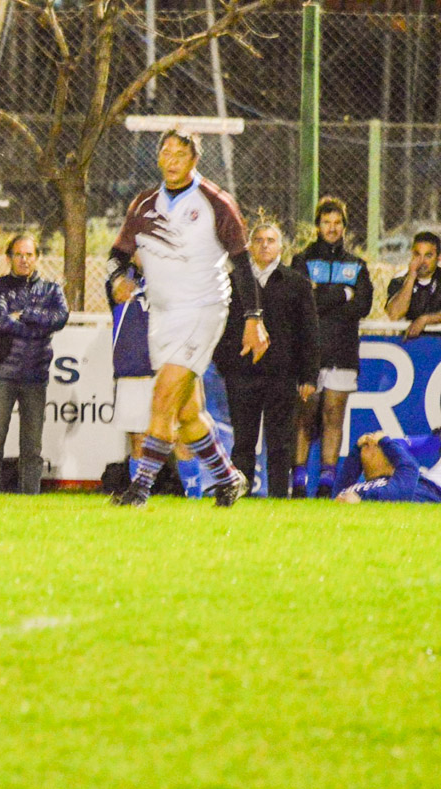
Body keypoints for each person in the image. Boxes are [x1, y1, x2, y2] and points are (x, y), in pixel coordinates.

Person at [107, 128, 269, 508]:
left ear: (194, 159)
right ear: (159, 158)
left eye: (182, 153)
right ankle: (228, 479)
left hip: (202, 310)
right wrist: (119, 278)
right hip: (161, 314)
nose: (174, 159)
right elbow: (118, 254)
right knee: (187, 412)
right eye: (167, 152)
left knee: (162, 399)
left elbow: (242, 263)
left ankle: (139, 490)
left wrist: (253, 317)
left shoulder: (215, 201)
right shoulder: (144, 203)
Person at [213, 222, 319, 498]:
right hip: (242, 374)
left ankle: (277, 498)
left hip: (281, 376)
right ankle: (241, 495)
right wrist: (227, 364)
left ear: (281, 247)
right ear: (249, 247)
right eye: (258, 240)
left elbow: (309, 332)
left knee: (280, 442)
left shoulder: (296, 283)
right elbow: (219, 327)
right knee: (243, 442)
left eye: (271, 240)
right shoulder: (234, 282)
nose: (264, 245)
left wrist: (308, 375)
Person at [290, 196, 374, 498]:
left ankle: (326, 484)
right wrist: (343, 294)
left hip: (342, 352)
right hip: (306, 354)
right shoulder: (301, 260)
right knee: (303, 417)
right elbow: (303, 303)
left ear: (345, 227)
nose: (332, 228)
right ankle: (298, 484)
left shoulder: (357, 264)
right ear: (317, 226)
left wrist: (325, 297)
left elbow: (363, 306)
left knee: (333, 417)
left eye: (337, 223)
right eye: (326, 222)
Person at [0, 234, 69, 494]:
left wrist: (27, 315)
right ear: (9, 258)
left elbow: (60, 317)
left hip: (35, 376)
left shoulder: (52, 290)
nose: (24, 260)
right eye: (18, 254)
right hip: (2, 375)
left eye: (29, 255)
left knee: (32, 447)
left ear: (37, 258)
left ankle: (29, 497)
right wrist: (38, 328)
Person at [106, 264, 203, 497]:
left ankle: (195, 498)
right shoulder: (123, 280)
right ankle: (138, 496)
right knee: (138, 438)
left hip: (170, 370)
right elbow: (116, 288)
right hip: (133, 370)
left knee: (180, 437)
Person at [334, 431, 441, 504]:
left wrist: (385, 442)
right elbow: (345, 478)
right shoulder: (358, 486)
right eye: (366, 446)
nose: (370, 443)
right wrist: (357, 449)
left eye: (375, 447)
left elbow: (409, 468)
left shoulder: (397, 483)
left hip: (432, 489)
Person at [385, 230, 441, 339]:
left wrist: (425, 320)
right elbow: (394, 314)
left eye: (428, 256)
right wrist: (411, 277)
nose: (422, 261)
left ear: (438, 258)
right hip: (410, 345)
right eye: (417, 255)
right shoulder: (400, 280)